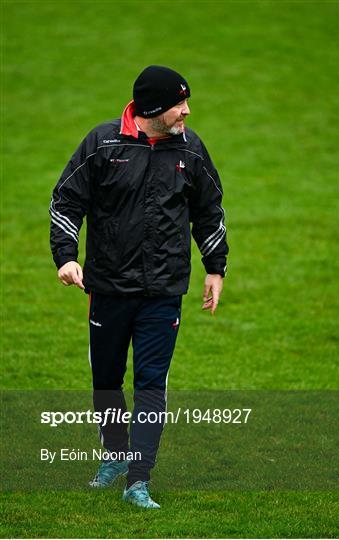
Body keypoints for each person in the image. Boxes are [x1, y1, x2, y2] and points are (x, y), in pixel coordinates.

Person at [49, 65, 229, 509]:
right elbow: (66, 201)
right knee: (107, 379)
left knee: (151, 384)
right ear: (152, 110)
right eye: (179, 104)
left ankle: (138, 479)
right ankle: (114, 454)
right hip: (107, 288)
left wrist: (215, 267)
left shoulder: (191, 149)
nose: (187, 111)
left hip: (163, 290)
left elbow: (209, 209)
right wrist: (67, 257)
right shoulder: (103, 144)